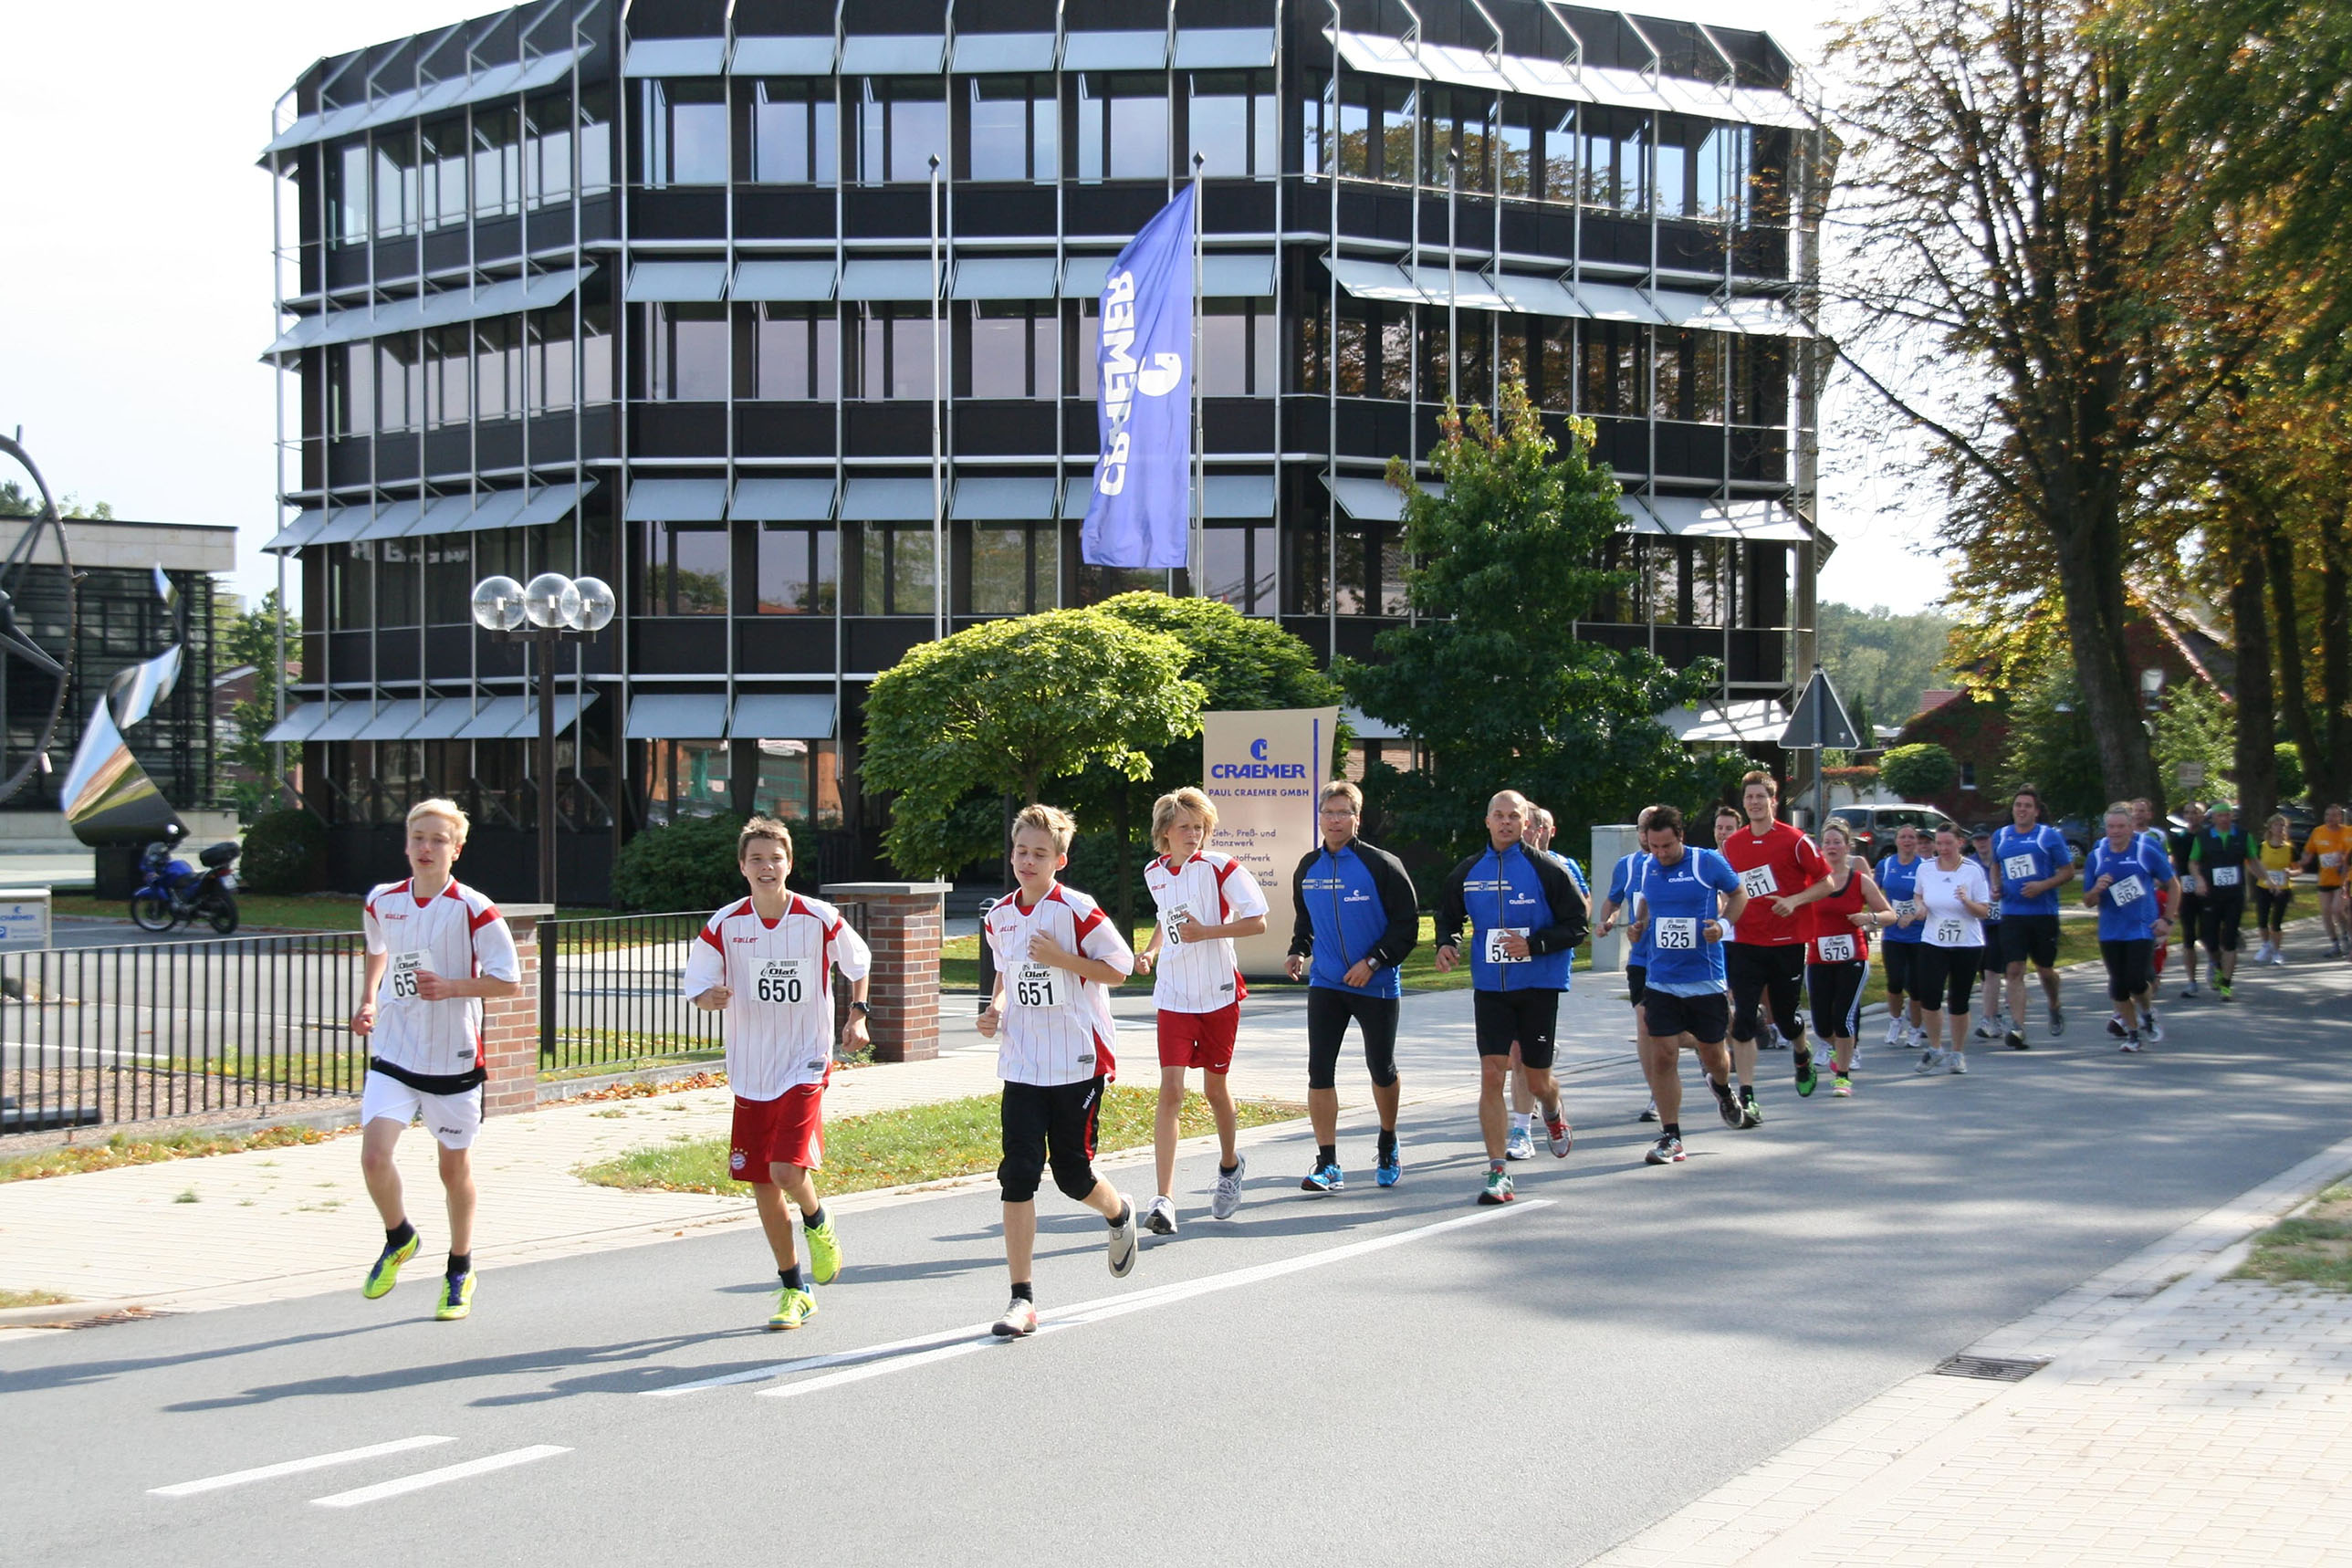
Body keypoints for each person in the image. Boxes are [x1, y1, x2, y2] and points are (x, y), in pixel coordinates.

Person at [684, 817, 872, 1330]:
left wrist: (859, 1014)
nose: (767, 868)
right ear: (742, 867)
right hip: (750, 1067)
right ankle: (794, 1288)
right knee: (762, 1183)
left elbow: (857, 962)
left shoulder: (818, 916)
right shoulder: (725, 924)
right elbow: (697, 985)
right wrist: (709, 997)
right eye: (757, 859)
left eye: (776, 858)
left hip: (805, 1058)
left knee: (786, 1171)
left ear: (790, 863)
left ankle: (818, 1219)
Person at [352, 800, 522, 1322]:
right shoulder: (382, 900)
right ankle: (399, 1235)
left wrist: (452, 987)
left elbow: (509, 980)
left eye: (438, 840)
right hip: (395, 1053)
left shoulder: (475, 908)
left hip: (454, 1058)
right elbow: (378, 947)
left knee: (454, 1168)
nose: (427, 848)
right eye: (418, 838)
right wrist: (369, 998)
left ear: (457, 849)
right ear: (406, 843)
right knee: (374, 1156)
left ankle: (460, 1266)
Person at [977, 804, 1141, 1338]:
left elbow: (1118, 968)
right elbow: (1006, 973)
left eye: (1039, 854)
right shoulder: (998, 917)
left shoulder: (1077, 909)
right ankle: (1021, 1299)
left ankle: (1118, 1214)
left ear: (1060, 860)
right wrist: (996, 1007)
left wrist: (1061, 957)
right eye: (1021, 851)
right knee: (1019, 1173)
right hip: (1023, 1061)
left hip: (1077, 1059)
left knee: (1072, 1175)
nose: (1027, 860)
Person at [1435, 789, 1590, 1204]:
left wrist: (1534, 945)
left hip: (1537, 986)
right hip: (1491, 987)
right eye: (1498, 816)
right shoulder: (1469, 870)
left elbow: (1577, 926)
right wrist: (1446, 943)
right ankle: (1497, 1171)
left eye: (1513, 817)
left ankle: (1553, 1111)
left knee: (1538, 1080)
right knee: (1492, 1073)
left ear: (1526, 823)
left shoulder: (1548, 869)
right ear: (1487, 821)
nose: (1505, 823)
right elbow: (1448, 914)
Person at [1133, 787, 1270, 1235]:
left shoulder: (1222, 867)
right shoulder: (1154, 872)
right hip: (1173, 995)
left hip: (1219, 994)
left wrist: (1208, 931)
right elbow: (1164, 917)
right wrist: (1151, 952)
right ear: (1164, 833)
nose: (1194, 835)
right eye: (1185, 827)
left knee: (1214, 1090)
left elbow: (1258, 921)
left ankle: (1230, 1167)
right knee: (1170, 1090)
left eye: (1200, 827)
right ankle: (1164, 1199)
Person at [1287, 780, 1419, 1192]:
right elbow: (1306, 922)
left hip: (1375, 984)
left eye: (1343, 812)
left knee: (1381, 1068)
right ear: (1319, 817)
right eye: (1329, 812)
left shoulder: (1382, 865)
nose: (1335, 820)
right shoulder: (1308, 867)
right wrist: (1297, 951)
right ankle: (1328, 1163)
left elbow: (1407, 926)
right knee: (1318, 1070)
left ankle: (1387, 1140)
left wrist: (1373, 962)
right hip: (1326, 983)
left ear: (1357, 819)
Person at [1628, 806, 1748, 1165]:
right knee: (1663, 1055)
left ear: (1681, 836)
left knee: (1714, 1055)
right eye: (1654, 847)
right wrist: (1638, 926)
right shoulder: (1647, 865)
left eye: (1667, 846)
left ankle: (1723, 1089)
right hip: (1661, 978)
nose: (1661, 854)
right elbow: (1648, 902)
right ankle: (1671, 1135)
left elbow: (1740, 895)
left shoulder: (1706, 862)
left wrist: (1723, 928)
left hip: (1705, 977)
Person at [1717, 771, 1826, 1124]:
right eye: (1749, 797)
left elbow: (1827, 882)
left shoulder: (1795, 840)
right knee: (1744, 1018)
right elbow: (1730, 888)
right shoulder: (1733, 844)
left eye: (1760, 797)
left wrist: (1795, 900)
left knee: (1785, 1017)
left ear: (1773, 801)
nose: (1754, 803)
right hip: (1746, 940)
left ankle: (1801, 1050)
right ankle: (1748, 1096)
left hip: (1787, 941)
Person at [1771, 821, 1893, 1097]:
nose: (1832, 847)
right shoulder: (1811, 882)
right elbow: (1791, 904)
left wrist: (1869, 918)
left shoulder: (1859, 880)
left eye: (1838, 842)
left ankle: (1843, 1077)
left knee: (1843, 1018)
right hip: (1817, 957)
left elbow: (1889, 914)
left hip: (1853, 957)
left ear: (1847, 847)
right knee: (1823, 1023)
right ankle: (1840, 1050)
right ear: (1820, 848)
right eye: (1827, 842)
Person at [1505, 804, 1592, 1156]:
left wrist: (1545, 933)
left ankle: (1548, 1111)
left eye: (1539, 826)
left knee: (1528, 1059)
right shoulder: (1502, 863)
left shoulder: (1562, 865)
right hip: (1506, 970)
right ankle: (1521, 1131)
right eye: (1529, 825)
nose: (1532, 832)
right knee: (1515, 1054)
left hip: (1544, 969)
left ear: (1545, 831)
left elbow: (1582, 909)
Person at [2085, 802, 2180, 1052]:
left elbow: (2173, 885)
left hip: (2140, 927)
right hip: (2110, 930)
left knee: (2136, 980)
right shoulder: (2097, 853)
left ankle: (2147, 1012)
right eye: (2110, 827)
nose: (2115, 832)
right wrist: (2097, 889)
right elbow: (2087, 901)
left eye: (2120, 827)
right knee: (2117, 985)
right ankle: (2133, 1033)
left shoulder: (2146, 849)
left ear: (2131, 828)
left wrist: (2167, 919)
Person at [1991, 785, 2075, 1049]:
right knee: (2014, 969)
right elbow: (1996, 863)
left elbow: (2068, 871)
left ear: (2036, 812)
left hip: (2043, 913)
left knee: (2045, 970)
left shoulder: (2048, 836)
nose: (2022, 810)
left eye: (2027, 806)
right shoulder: (2002, 836)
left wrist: (2042, 886)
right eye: (2018, 805)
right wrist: (1996, 886)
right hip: (2012, 913)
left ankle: (2054, 1003)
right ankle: (2018, 1027)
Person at [1910, 824, 1993, 1075]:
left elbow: (1984, 911)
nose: (1943, 849)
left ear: (1960, 843)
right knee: (1930, 996)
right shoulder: (1925, 868)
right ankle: (1935, 1048)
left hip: (1966, 943)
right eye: (1940, 843)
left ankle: (1957, 1053)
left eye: (1948, 843)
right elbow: (1917, 895)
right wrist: (1921, 907)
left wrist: (1966, 901)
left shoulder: (1972, 871)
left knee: (1959, 999)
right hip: (1934, 941)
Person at [1594, 807, 1660, 1122]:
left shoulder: (1683, 862)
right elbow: (1614, 899)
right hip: (1642, 958)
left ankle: (1705, 1046)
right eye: (1642, 828)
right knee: (1646, 1025)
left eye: (1652, 827)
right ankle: (1656, 1093)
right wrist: (1607, 920)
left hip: (1676, 959)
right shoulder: (1628, 865)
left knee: (1677, 1031)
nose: (1647, 835)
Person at [2187, 803, 2256, 1000]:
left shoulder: (2243, 835)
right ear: (2213, 818)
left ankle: (2226, 984)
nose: (2224, 819)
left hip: (2234, 895)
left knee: (2230, 940)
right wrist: (2199, 880)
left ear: (2232, 816)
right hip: (2211, 895)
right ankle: (2216, 964)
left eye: (2227, 815)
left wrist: (2265, 879)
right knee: (2209, 940)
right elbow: (2193, 862)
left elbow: (2253, 860)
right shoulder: (2204, 837)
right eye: (2220, 816)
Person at [1876, 825, 1929, 1052]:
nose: (1907, 841)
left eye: (1911, 837)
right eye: (1903, 837)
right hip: (1893, 935)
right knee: (1895, 982)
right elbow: (1873, 892)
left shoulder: (1925, 868)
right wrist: (1874, 917)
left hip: (1918, 935)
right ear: (1896, 840)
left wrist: (1914, 914)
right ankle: (1896, 1020)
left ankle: (1916, 1028)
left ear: (1916, 842)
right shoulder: (1886, 865)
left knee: (1916, 986)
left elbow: (1931, 900)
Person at [1968, 827, 2012, 1043]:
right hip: (1980, 925)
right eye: (1977, 840)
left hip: (2003, 922)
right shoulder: (1970, 865)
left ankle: (1989, 1019)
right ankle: (1996, 1014)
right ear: (1973, 843)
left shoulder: (2003, 860)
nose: (1982, 843)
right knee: (1986, 974)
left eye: (1985, 839)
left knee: (1993, 970)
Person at [2299, 803, 2352, 958]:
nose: (2330, 818)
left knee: (2337, 909)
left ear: (2340, 817)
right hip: (2325, 879)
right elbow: (2308, 852)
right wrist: (2302, 862)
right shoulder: (2318, 832)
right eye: (2327, 815)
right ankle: (2335, 944)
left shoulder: (2347, 832)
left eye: (2334, 815)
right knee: (2326, 913)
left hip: (2342, 879)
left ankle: (2345, 936)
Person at [2168, 801, 2209, 996]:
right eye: (2187, 813)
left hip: (2208, 891)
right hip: (2186, 891)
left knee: (2210, 935)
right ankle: (2192, 981)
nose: (2191, 816)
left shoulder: (2209, 836)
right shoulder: (2178, 838)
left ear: (2203, 815)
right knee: (2188, 937)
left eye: (2196, 813)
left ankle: (2215, 964)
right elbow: (2173, 863)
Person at [2254, 812, 2297, 965]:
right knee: (2262, 920)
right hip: (2263, 887)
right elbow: (2253, 864)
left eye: (2282, 825)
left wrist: (2291, 872)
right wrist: (2263, 875)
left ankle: (2277, 953)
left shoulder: (2289, 848)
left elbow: (2299, 869)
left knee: (2276, 922)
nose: (2279, 828)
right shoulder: (2262, 846)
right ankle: (2266, 945)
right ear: (2270, 828)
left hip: (2283, 888)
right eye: (2276, 825)